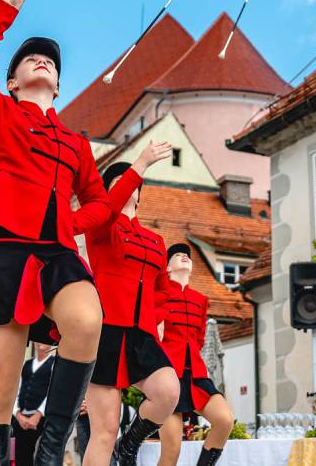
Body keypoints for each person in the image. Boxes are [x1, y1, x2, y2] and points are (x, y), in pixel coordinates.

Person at [0, 0, 171, 466]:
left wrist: (69, 222)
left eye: (50, 60)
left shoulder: (75, 143)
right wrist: (5, 11)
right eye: (30, 58)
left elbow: (101, 204)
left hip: (57, 252)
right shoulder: (1, 113)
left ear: (58, 84)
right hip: (5, 250)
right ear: (12, 82)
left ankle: (49, 453)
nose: (42, 60)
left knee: (88, 321)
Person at [82, 160, 177, 466]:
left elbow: (164, 290)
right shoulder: (101, 226)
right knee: (104, 431)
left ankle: (130, 444)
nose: (127, 184)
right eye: (119, 181)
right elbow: (108, 209)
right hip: (106, 331)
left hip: (142, 332)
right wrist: (142, 162)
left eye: (132, 181)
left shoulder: (156, 241)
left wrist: (152, 313)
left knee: (168, 391)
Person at [156, 244, 234, 466]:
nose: (184, 257)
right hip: (169, 377)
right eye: (177, 255)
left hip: (196, 375)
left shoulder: (200, 300)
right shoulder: (159, 295)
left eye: (187, 256)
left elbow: (199, 339)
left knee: (225, 420)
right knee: (172, 451)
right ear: (167, 268)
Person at [13, 345, 55, 466]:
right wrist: (17, 414)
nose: (40, 342)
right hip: (20, 419)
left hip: (41, 420)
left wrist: (38, 414)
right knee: (19, 457)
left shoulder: (54, 364)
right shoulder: (26, 364)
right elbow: (16, 389)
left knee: (39, 456)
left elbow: (52, 392)